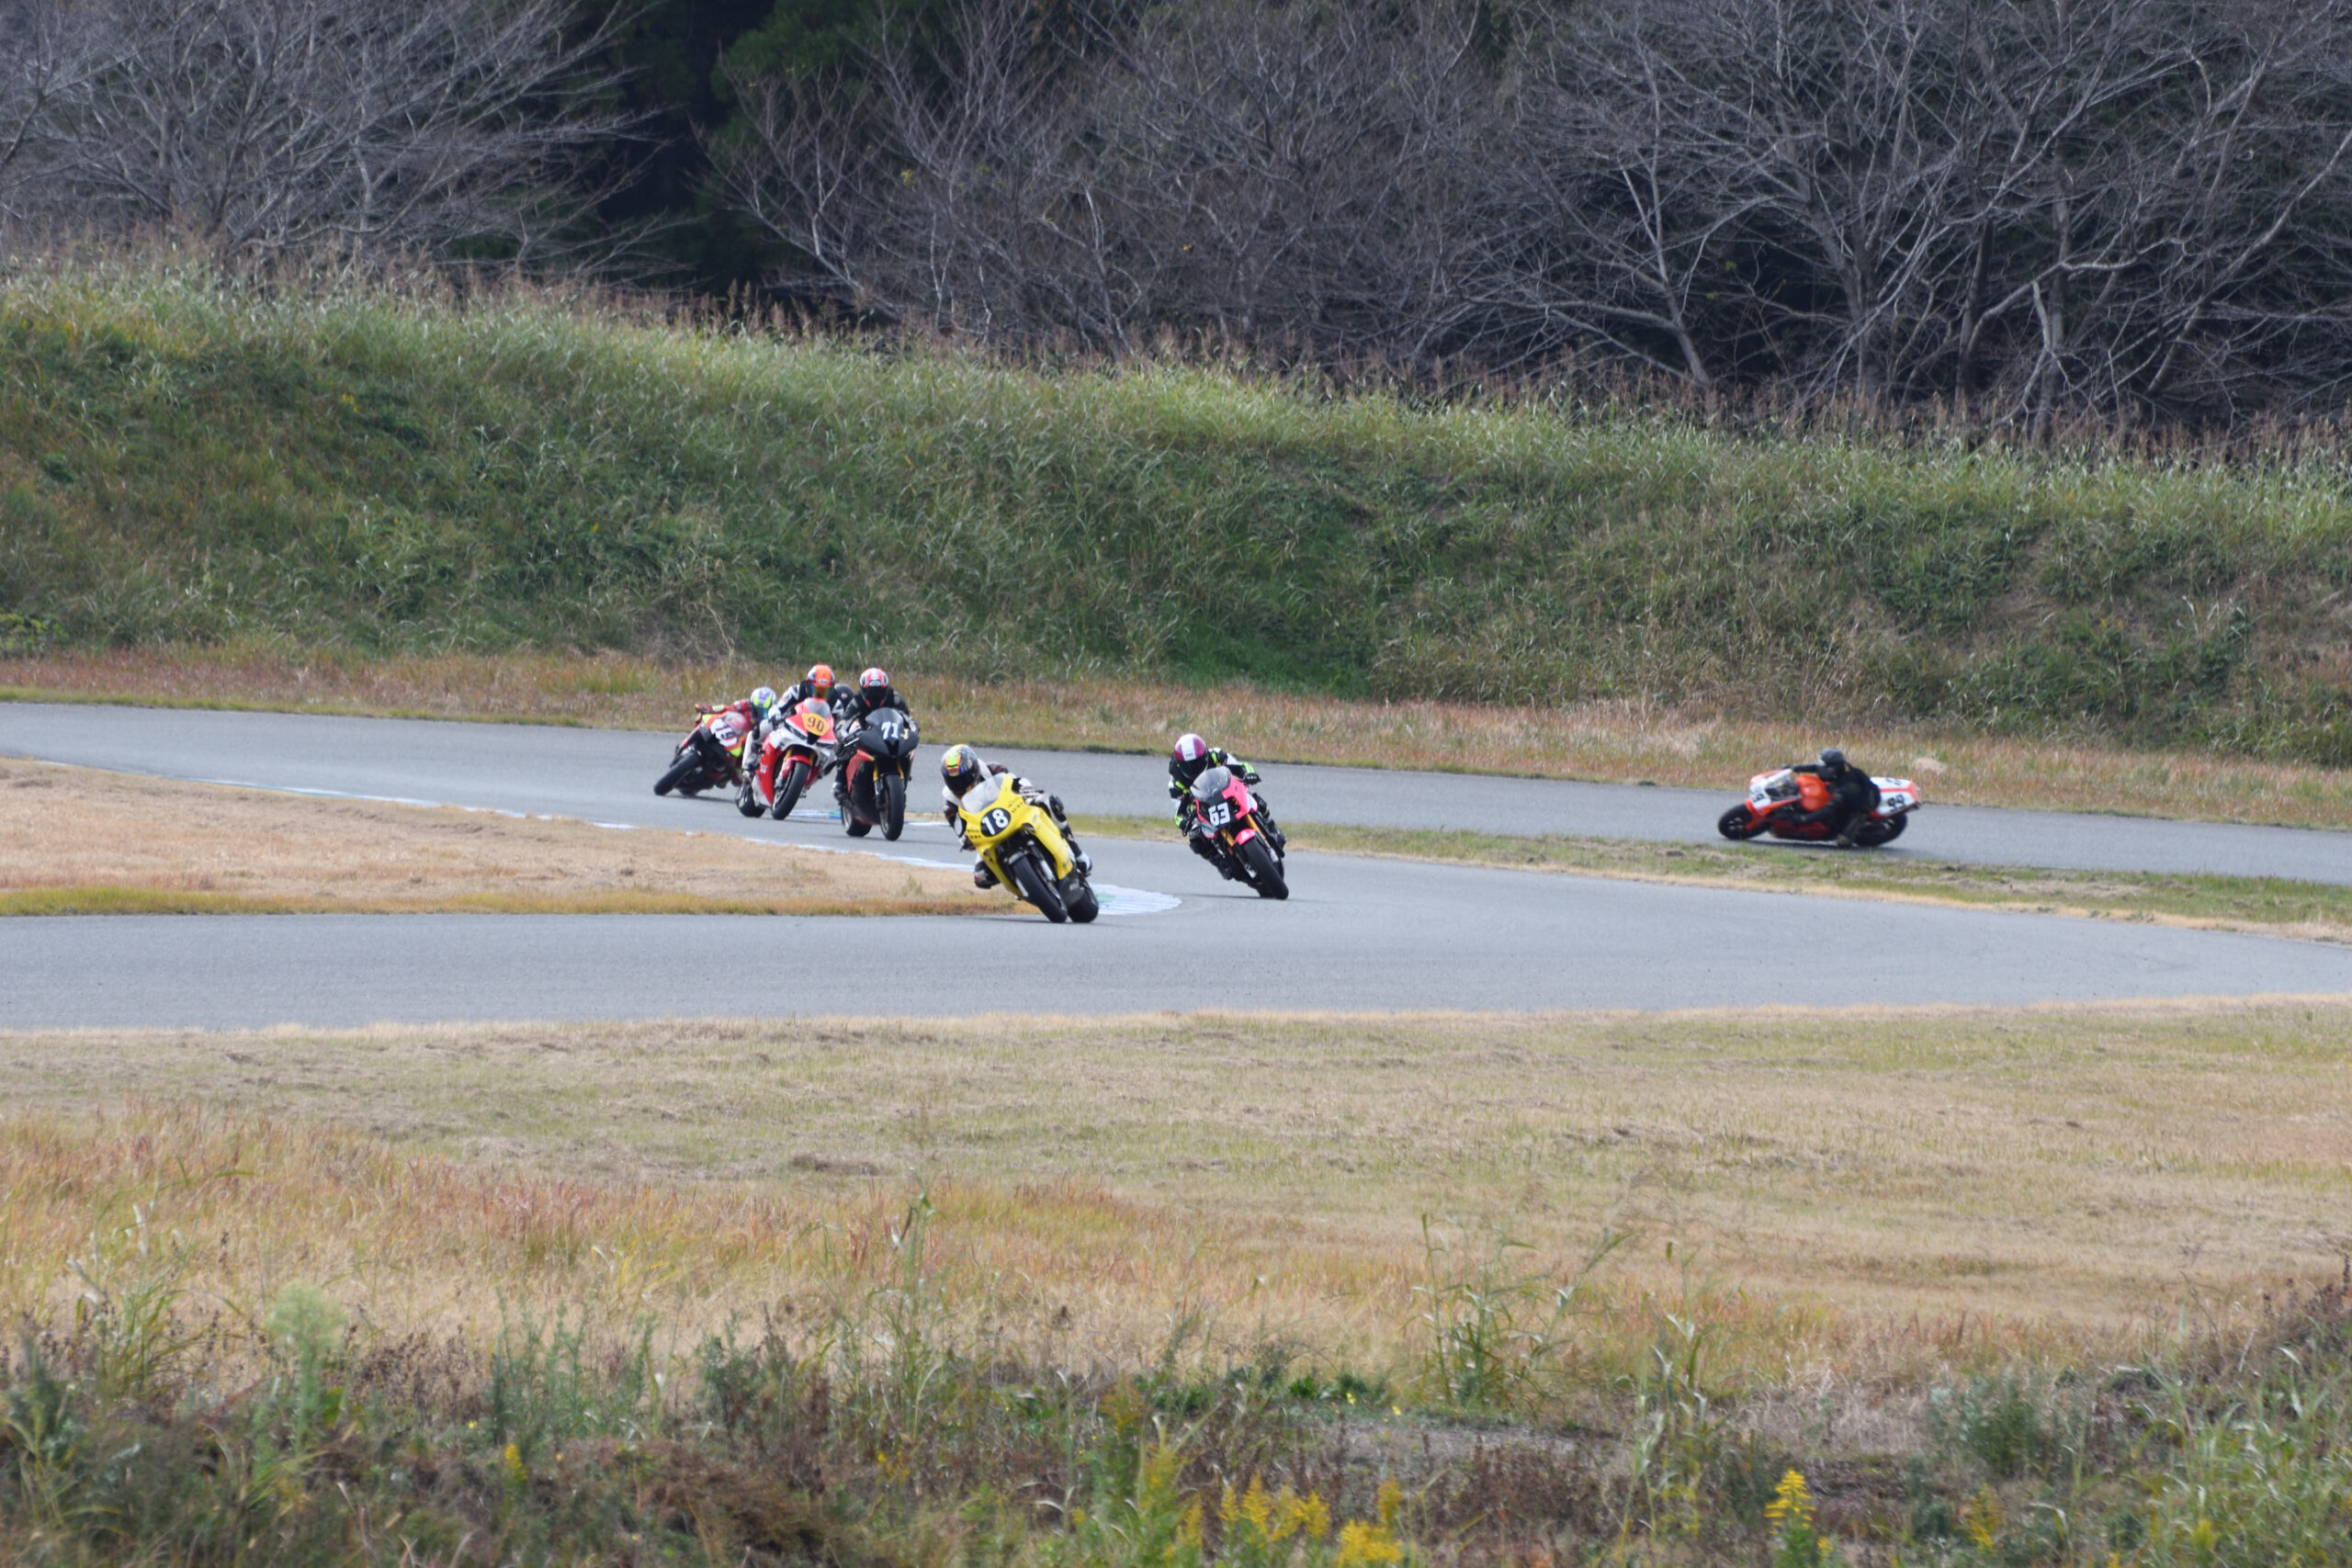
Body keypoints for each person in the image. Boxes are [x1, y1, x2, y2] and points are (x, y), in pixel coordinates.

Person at [940, 744, 1091, 889]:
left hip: (1013, 811)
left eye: (963, 778)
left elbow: (1017, 782)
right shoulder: (950, 805)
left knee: (1050, 802)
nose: (960, 784)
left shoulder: (992, 769)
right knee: (981, 877)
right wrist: (966, 840)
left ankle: (1076, 852)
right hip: (988, 833)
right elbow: (961, 831)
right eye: (954, 782)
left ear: (974, 769)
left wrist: (1028, 790)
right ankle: (1020, 881)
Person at [1167, 732, 1283, 878]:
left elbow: (1240, 766)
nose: (1194, 768)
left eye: (1197, 763)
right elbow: (1179, 812)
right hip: (1204, 808)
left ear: (1205, 756)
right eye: (1188, 766)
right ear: (1179, 765)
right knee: (1195, 837)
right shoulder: (1176, 783)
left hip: (1226, 793)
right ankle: (1219, 861)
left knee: (1255, 799)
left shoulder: (1216, 755)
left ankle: (1271, 827)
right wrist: (1185, 821)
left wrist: (1248, 773)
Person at [1787, 747, 1879, 846]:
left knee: (1842, 842)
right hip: (1851, 793)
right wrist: (1794, 768)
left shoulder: (1845, 787)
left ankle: (1852, 832)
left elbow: (1827, 811)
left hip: (1862, 804)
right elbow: (1818, 767)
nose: (1821, 769)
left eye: (1825, 767)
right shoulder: (1840, 768)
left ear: (1833, 768)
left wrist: (1803, 819)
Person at [833, 666, 910, 729]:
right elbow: (844, 724)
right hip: (866, 736)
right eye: (870, 692)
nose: (875, 696)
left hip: (892, 735)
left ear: (886, 690)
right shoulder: (857, 701)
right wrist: (845, 736)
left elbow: (909, 722)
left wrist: (910, 732)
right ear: (863, 690)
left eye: (879, 692)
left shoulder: (894, 699)